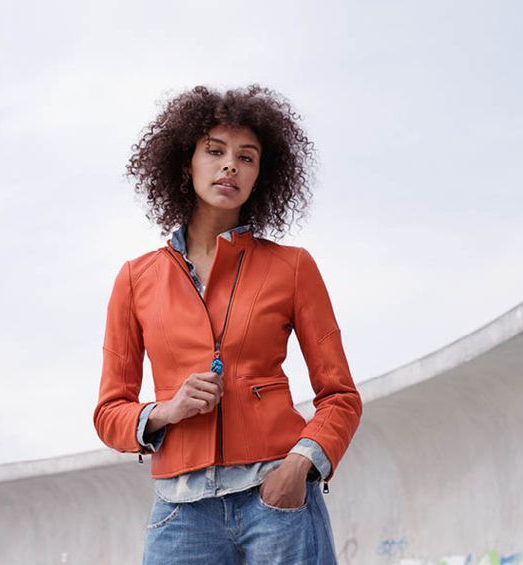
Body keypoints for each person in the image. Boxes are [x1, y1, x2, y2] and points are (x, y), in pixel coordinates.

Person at [93, 84, 362, 564]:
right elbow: (109, 412)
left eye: (247, 157)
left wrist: (299, 465)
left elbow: (340, 396)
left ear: (261, 175)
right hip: (180, 514)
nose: (230, 166)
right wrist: (165, 411)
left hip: (277, 500)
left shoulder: (293, 267)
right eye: (215, 151)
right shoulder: (136, 279)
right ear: (186, 163)